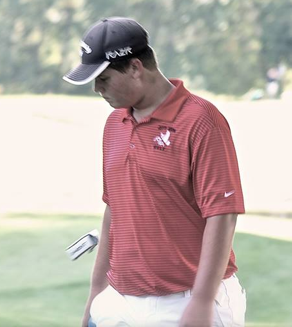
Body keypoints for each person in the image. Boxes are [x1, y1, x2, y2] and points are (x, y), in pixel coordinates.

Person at [63, 17, 246, 327]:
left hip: (186, 301)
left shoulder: (202, 121)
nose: (96, 89)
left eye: (104, 79)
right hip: (119, 301)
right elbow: (114, 209)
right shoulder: (114, 125)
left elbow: (222, 214)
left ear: (135, 68)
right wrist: (96, 294)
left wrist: (202, 302)